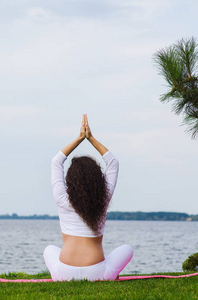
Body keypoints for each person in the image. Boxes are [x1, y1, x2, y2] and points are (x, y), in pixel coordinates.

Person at [44, 114, 133, 281]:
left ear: (69, 180)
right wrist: (91, 138)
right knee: (127, 249)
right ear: (97, 179)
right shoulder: (103, 199)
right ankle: (110, 275)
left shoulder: (62, 199)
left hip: (63, 273)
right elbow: (113, 163)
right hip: (98, 273)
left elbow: (56, 162)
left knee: (49, 249)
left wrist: (79, 139)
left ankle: (58, 275)